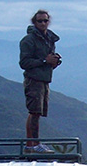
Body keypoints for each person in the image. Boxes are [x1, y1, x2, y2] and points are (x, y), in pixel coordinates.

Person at [19, 10, 61, 151]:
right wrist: (44, 61)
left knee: (37, 112)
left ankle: (32, 144)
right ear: (34, 22)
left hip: (44, 79)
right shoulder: (28, 40)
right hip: (34, 79)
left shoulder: (49, 39)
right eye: (40, 21)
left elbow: (46, 58)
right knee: (34, 112)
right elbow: (24, 62)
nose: (43, 23)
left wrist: (53, 61)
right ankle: (33, 144)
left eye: (45, 20)